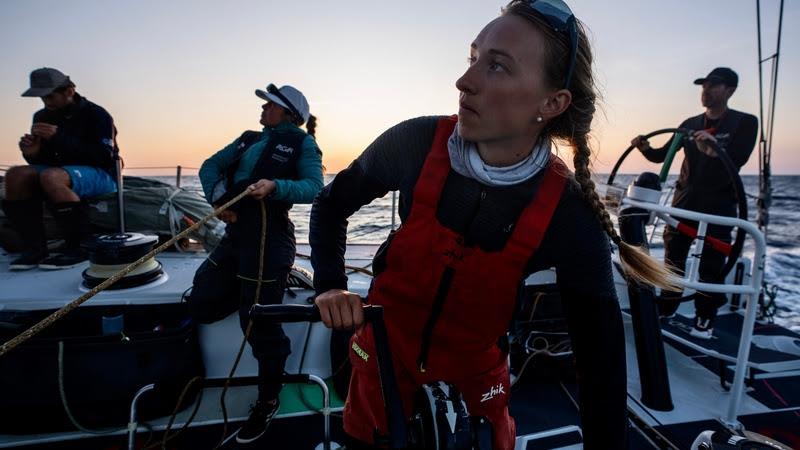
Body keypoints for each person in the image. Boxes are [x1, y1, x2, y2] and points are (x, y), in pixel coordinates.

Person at [309, 1, 675, 449]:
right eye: (473, 57)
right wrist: (329, 283)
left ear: (552, 102)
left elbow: (600, 362)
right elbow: (330, 205)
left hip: (475, 396)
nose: (464, 81)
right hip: (379, 368)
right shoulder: (415, 142)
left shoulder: (568, 213)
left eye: (497, 66)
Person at [197, 83, 323, 444]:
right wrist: (220, 200)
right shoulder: (248, 138)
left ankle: (268, 399)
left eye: (270, 105)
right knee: (201, 301)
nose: (263, 109)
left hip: (271, 236)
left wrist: (276, 186)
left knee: (257, 322)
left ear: (288, 113)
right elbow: (210, 166)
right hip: (236, 233)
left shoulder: (302, 144)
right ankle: (255, 291)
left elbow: (314, 186)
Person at [632, 67, 758, 339]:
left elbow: (736, 159)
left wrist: (713, 149)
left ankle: (705, 317)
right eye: (704, 86)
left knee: (712, 264)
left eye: (714, 85)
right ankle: (667, 307)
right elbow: (660, 157)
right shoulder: (689, 123)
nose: (706, 90)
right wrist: (644, 147)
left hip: (720, 202)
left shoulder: (745, 122)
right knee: (673, 256)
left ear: (730, 90)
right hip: (685, 199)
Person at [2, 67, 119, 270]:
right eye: (41, 98)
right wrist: (31, 152)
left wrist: (59, 138)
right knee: (15, 175)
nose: (46, 102)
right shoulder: (41, 115)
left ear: (69, 91)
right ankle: (35, 249)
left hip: (103, 173)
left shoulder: (97, 114)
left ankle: (79, 247)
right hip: (60, 172)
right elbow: (44, 160)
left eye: (50, 96)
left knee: (51, 177)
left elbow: (102, 156)